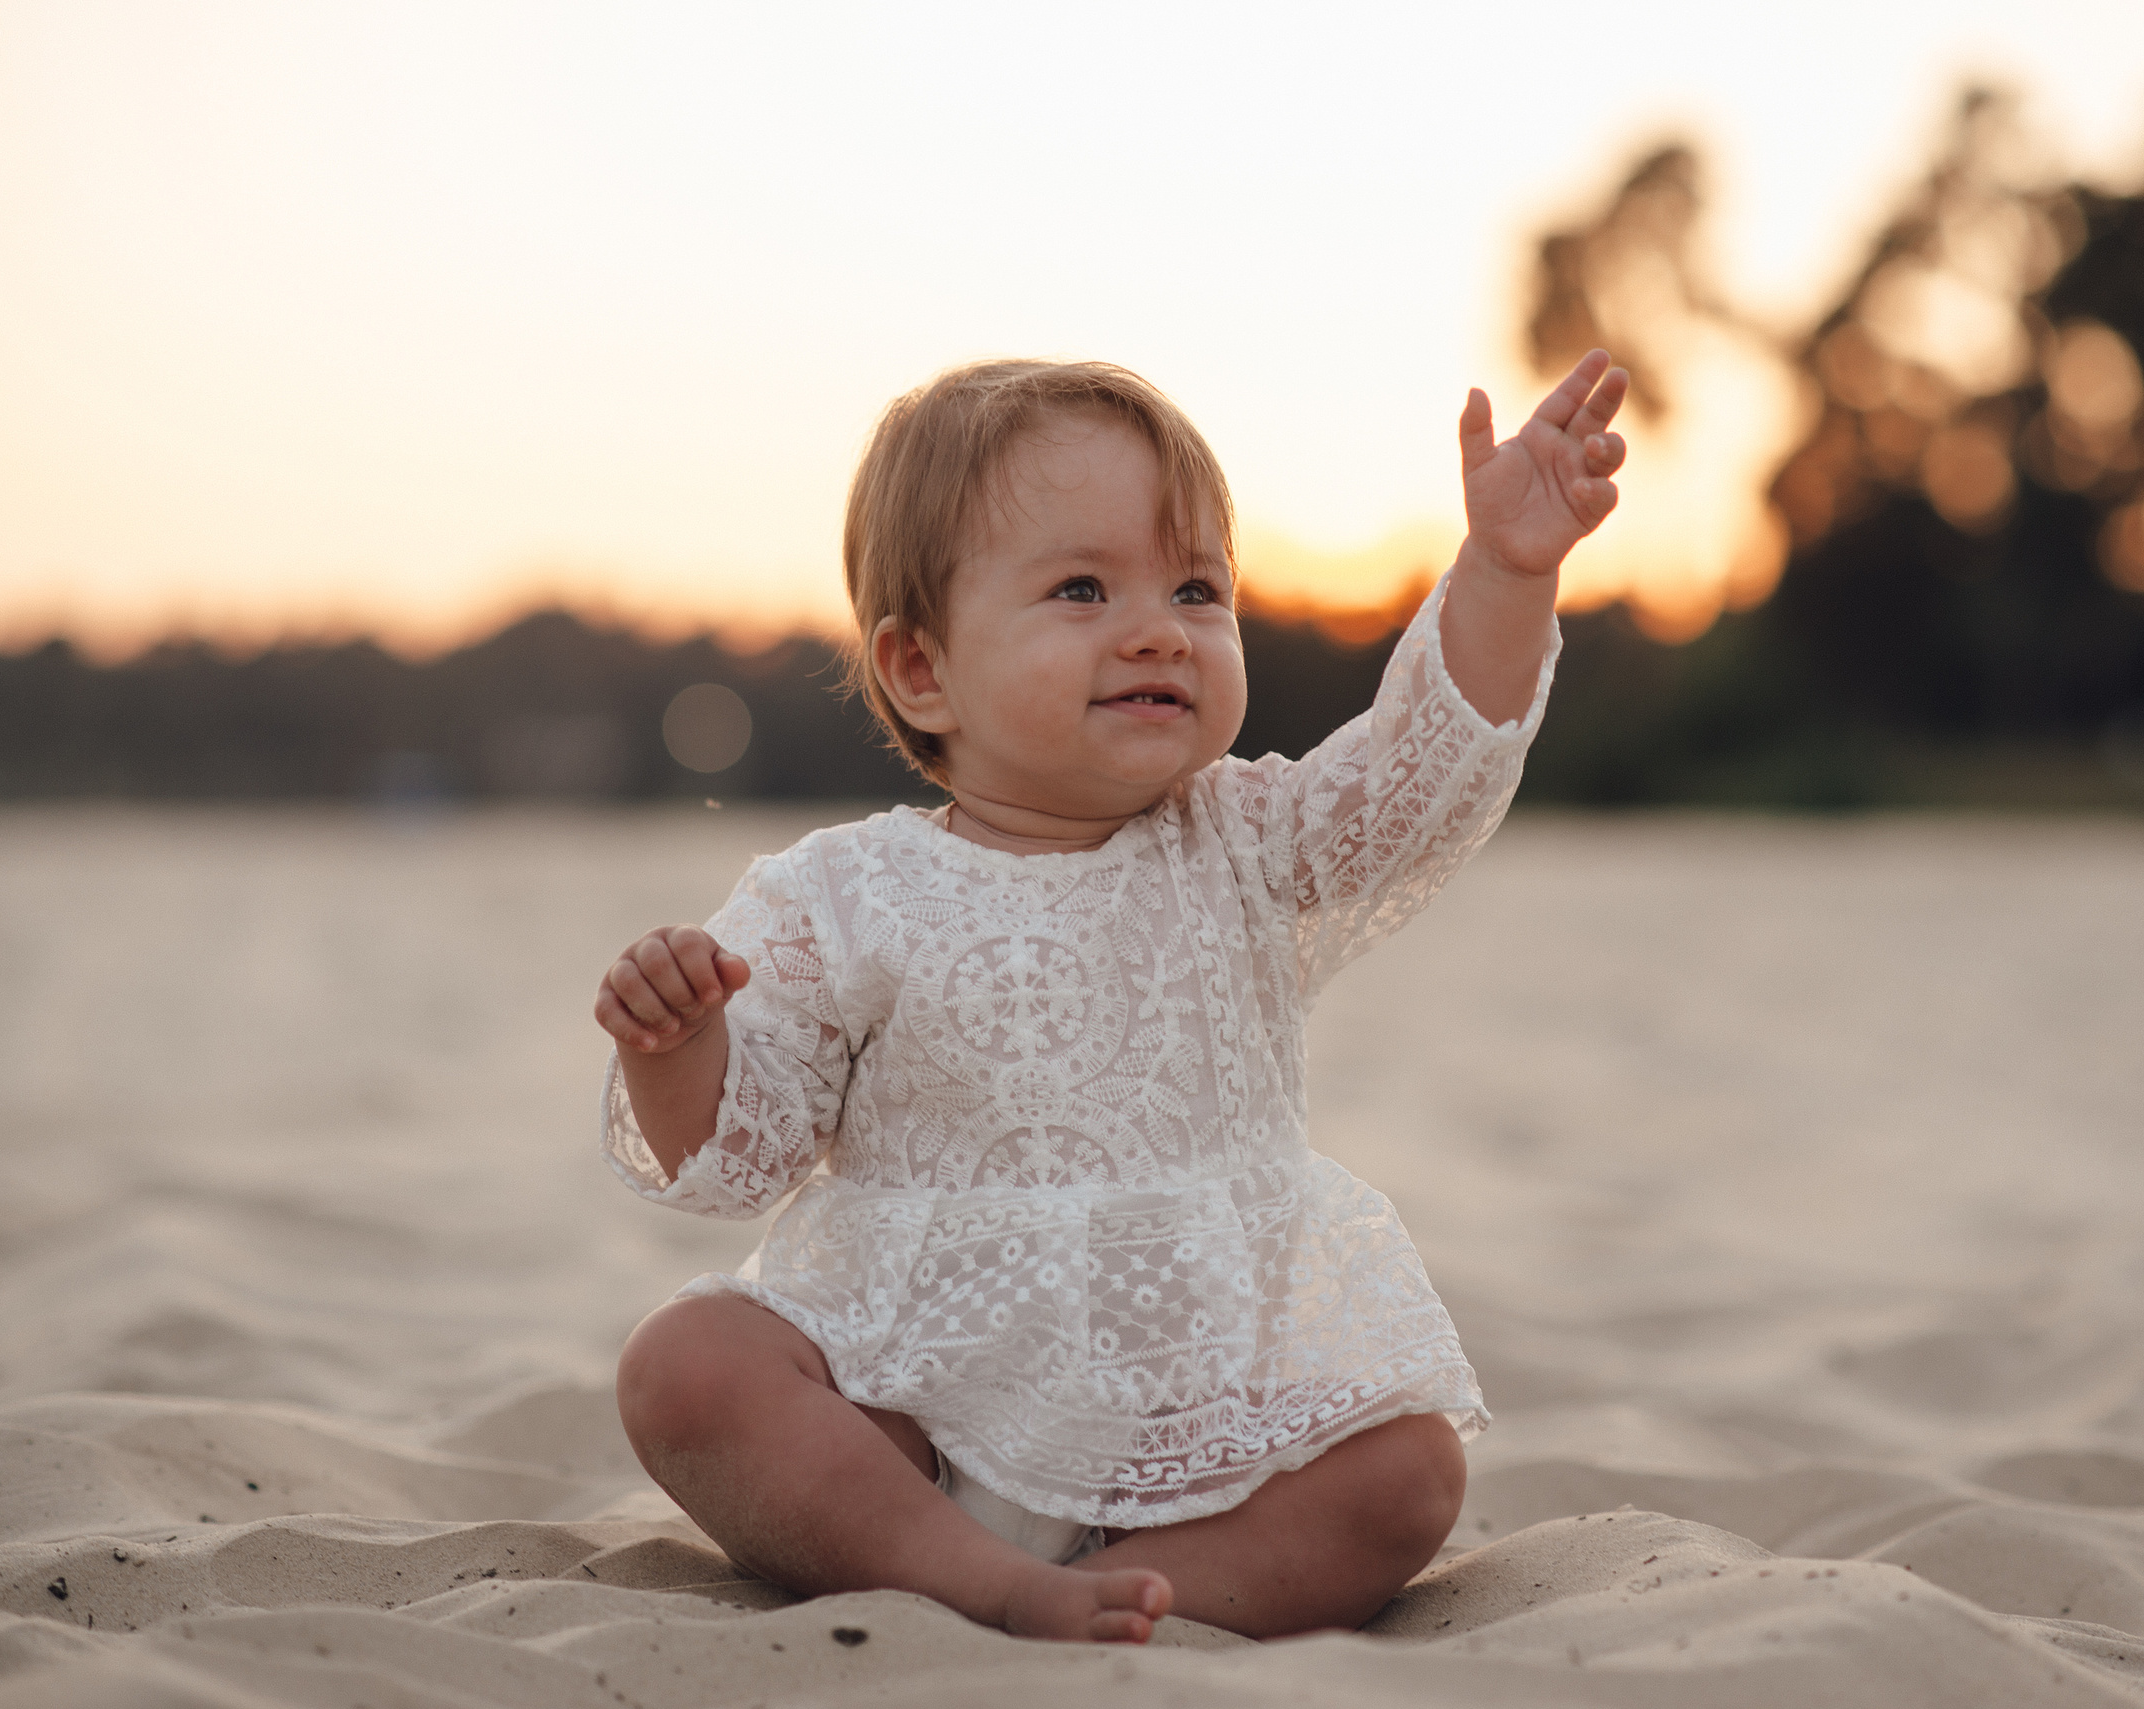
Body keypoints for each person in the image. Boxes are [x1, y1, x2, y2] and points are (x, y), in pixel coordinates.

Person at [594, 351, 1628, 1644]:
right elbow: (733, 1150)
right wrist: (676, 1044)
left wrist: (1506, 571)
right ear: (921, 671)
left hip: (1195, 1421)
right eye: (1081, 588)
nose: (1157, 626)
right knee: (687, 1367)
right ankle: (971, 1571)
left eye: (1197, 588)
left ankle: (1138, 1589)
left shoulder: (1246, 841)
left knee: (1410, 1465)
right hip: (911, 1402)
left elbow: (1417, 781)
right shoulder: (845, 891)